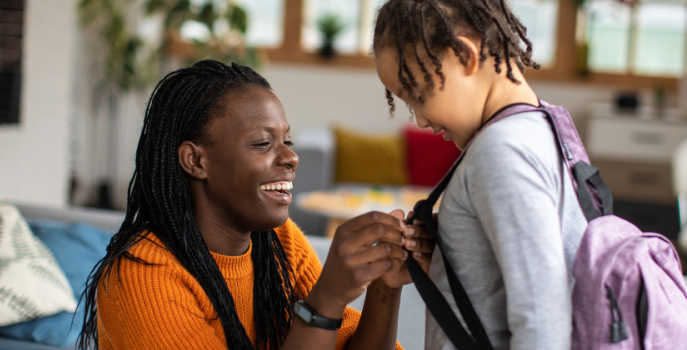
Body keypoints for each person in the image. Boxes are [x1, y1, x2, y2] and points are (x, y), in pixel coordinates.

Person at [76, 60, 434, 350]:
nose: (291, 157)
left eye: (287, 140)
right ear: (195, 161)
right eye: (263, 143)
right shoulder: (141, 279)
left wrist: (385, 286)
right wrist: (325, 300)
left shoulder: (281, 243)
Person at [372, 1, 589, 349]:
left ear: (464, 55)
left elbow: (542, 318)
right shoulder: (546, 125)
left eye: (417, 96)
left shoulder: (501, 151)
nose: (422, 120)